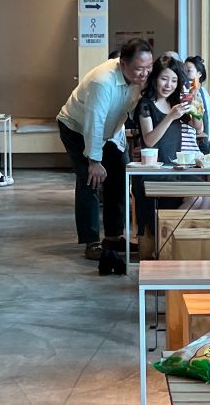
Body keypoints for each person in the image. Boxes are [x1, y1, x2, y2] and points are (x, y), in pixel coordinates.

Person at [56, 38, 153, 263]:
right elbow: (94, 122)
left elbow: (131, 113)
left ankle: (113, 237)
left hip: (111, 130)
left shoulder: (140, 80)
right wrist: (94, 161)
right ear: (123, 63)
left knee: (119, 175)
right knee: (91, 180)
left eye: (148, 67)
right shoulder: (102, 81)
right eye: (139, 68)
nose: (145, 73)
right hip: (77, 128)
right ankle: (91, 241)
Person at [132, 54, 210, 253]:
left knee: (206, 196)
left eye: (174, 80)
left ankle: (170, 240)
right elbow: (149, 140)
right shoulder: (146, 104)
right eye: (164, 79)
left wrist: (195, 106)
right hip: (152, 171)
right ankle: (166, 241)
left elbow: (198, 127)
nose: (168, 85)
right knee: (197, 198)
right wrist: (170, 117)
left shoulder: (177, 103)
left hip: (174, 169)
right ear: (155, 78)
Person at [184, 56, 210, 143]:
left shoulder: (198, 93)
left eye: (188, 71)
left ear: (199, 74)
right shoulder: (198, 91)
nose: (184, 74)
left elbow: (201, 125)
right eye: (183, 71)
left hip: (197, 142)